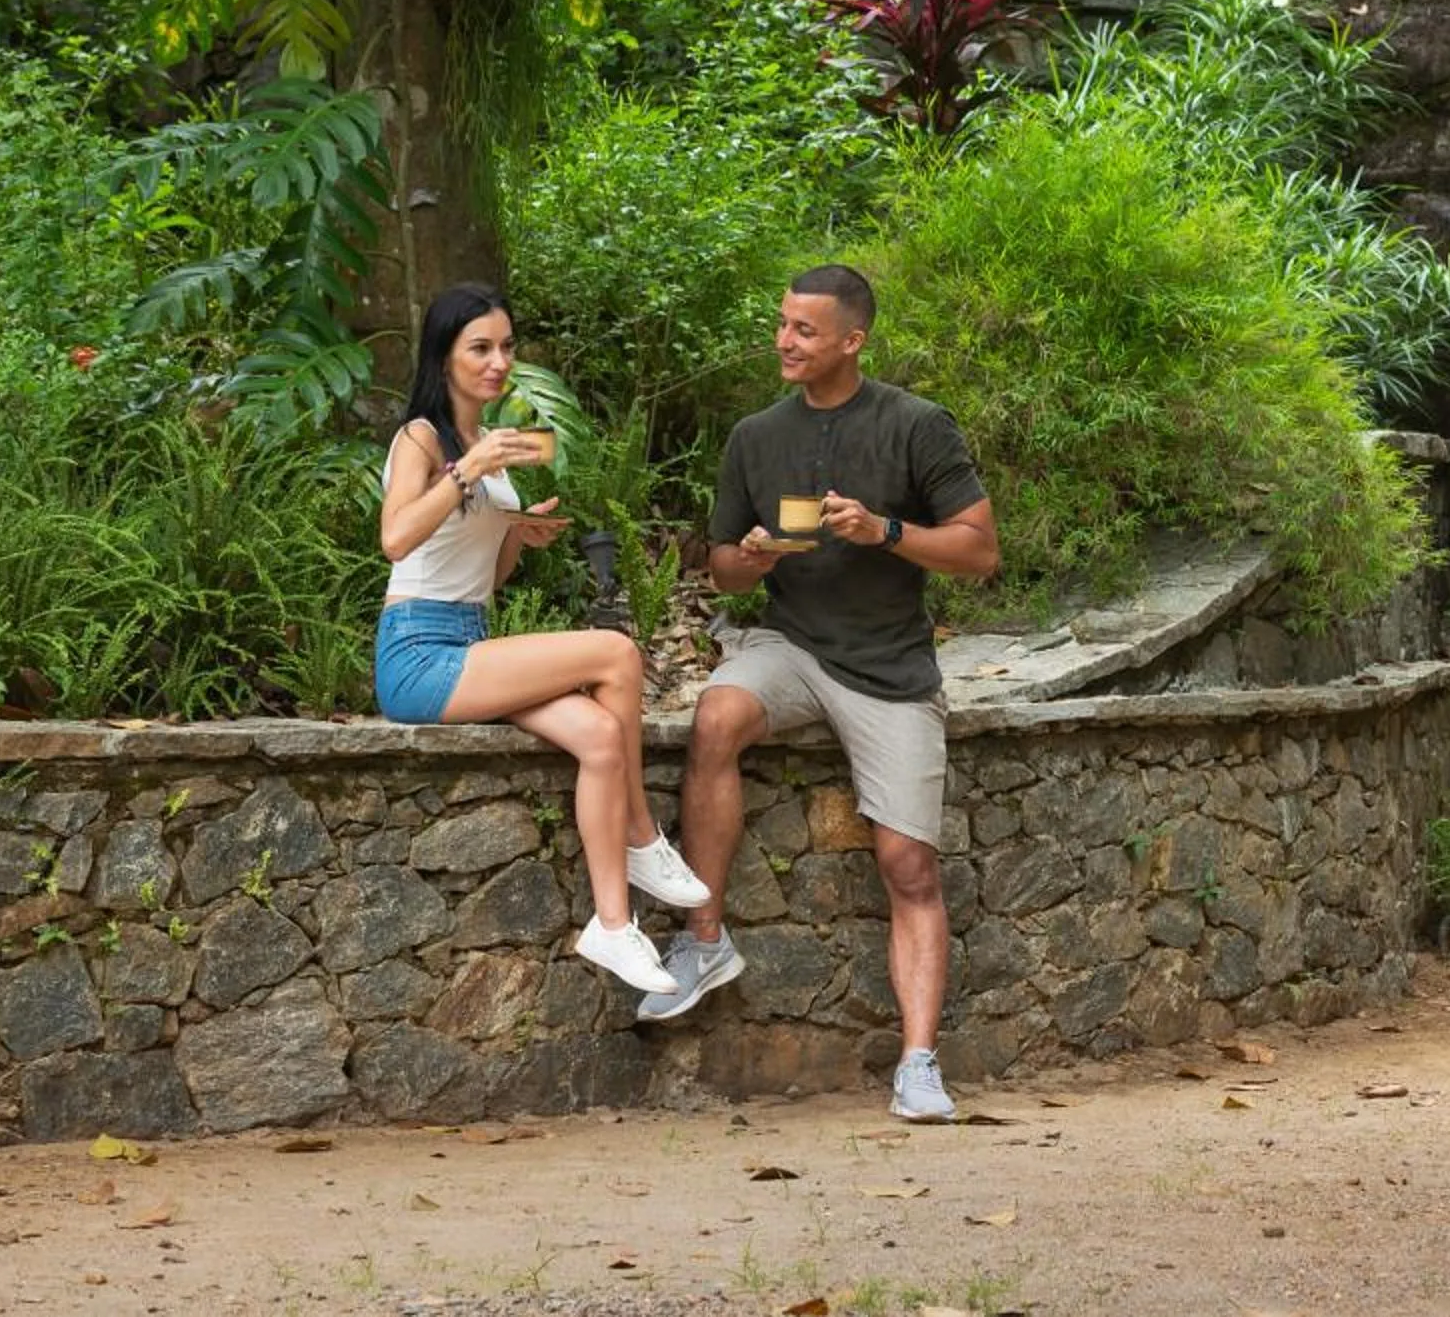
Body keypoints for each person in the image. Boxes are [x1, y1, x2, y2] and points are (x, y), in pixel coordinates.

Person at [640, 263, 998, 1125]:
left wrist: (886, 532)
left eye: (804, 330)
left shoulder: (916, 425)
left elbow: (980, 551)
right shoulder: (755, 436)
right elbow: (721, 573)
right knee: (717, 716)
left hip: (889, 668)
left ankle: (918, 1063)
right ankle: (703, 942)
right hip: (789, 646)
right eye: (782, 324)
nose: (785, 341)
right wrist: (752, 557)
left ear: (852, 340)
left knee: (908, 865)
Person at [375, 281, 710, 993]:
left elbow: (482, 582)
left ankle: (613, 926)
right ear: (443, 357)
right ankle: (643, 836)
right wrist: (469, 472)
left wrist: (515, 535)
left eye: (506, 347)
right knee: (615, 651)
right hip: (417, 651)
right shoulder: (425, 439)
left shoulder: (481, 445)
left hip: (467, 637)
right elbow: (397, 538)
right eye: (480, 348)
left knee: (597, 736)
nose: (498, 362)